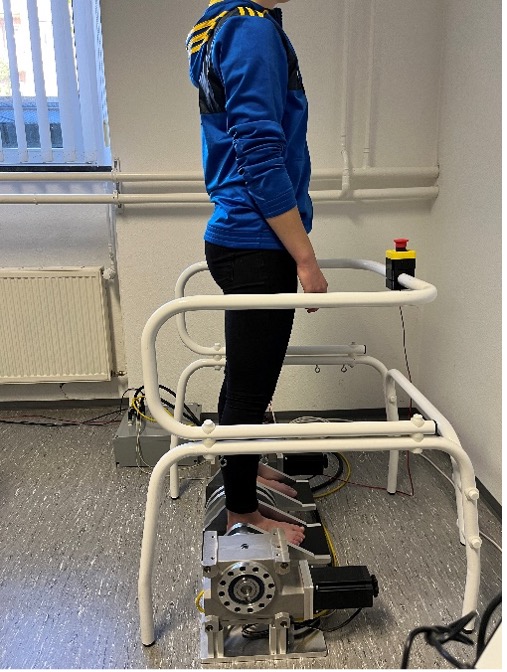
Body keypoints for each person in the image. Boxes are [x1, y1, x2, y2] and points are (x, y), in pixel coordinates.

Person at [187, 0, 327, 546]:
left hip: (242, 238)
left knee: (245, 377)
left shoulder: (222, 26)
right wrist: (305, 258)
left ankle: (242, 470)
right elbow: (260, 153)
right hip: (256, 242)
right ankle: (243, 513)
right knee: (250, 385)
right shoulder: (251, 29)